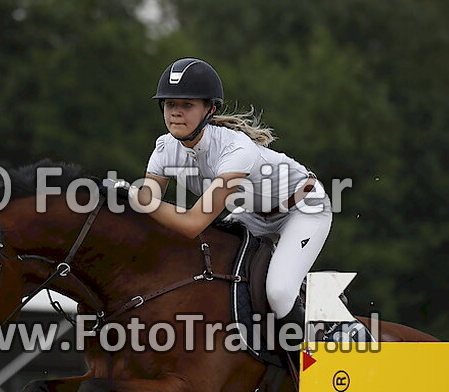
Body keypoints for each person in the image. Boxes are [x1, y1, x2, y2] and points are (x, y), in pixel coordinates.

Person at [130, 57, 332, 326]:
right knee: (205, 263)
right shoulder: (165, 148)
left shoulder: (236, 149)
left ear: (210, 110)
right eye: (169, 104)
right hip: (253, 213)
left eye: (186, 105)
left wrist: (136, 198)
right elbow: (151, 213)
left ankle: (308, 359)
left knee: (279, 292)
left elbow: (192, 223)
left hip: (303, 208)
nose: (175, 113)